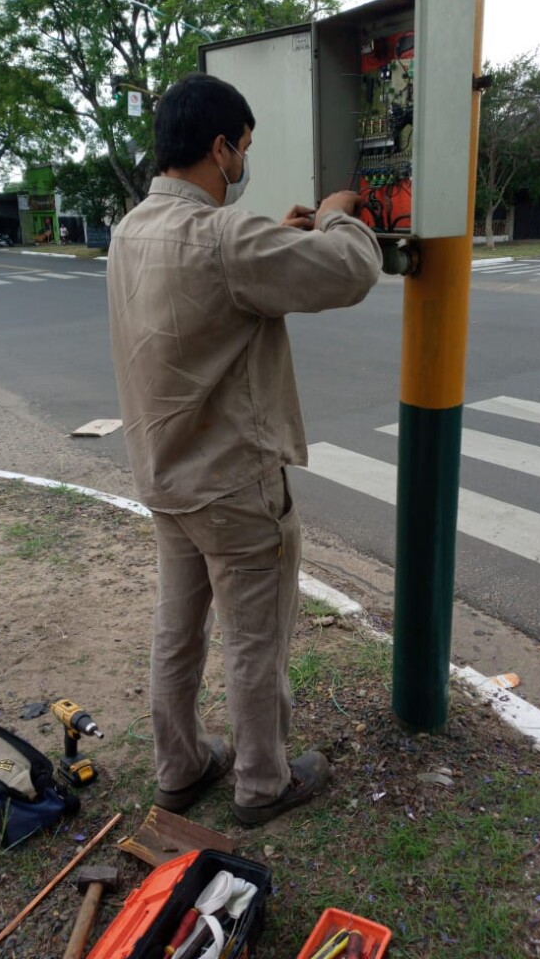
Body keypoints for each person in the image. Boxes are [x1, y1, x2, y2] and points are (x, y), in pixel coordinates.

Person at [107, 72, 382, 827]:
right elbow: (352, 270)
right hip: (234, 486)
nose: (244, 163)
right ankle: (263, 782)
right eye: (245, 148)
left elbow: (209, 294)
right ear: (221, 148)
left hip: (164, 476)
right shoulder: (224, 237)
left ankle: (181, 766)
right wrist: (337, 217)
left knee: (178, 630)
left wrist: (282, 237)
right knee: (256, 639)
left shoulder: (130, 231)